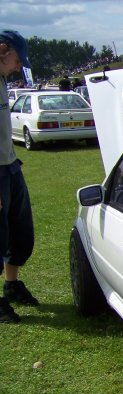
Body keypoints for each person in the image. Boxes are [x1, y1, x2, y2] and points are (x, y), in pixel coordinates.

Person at [0, 30, 39, 323]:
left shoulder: (2, 81)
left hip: (10, 165)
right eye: (16, 59)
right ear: (3, 49)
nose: (17, 66)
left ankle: (11, 285)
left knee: (20, 232)